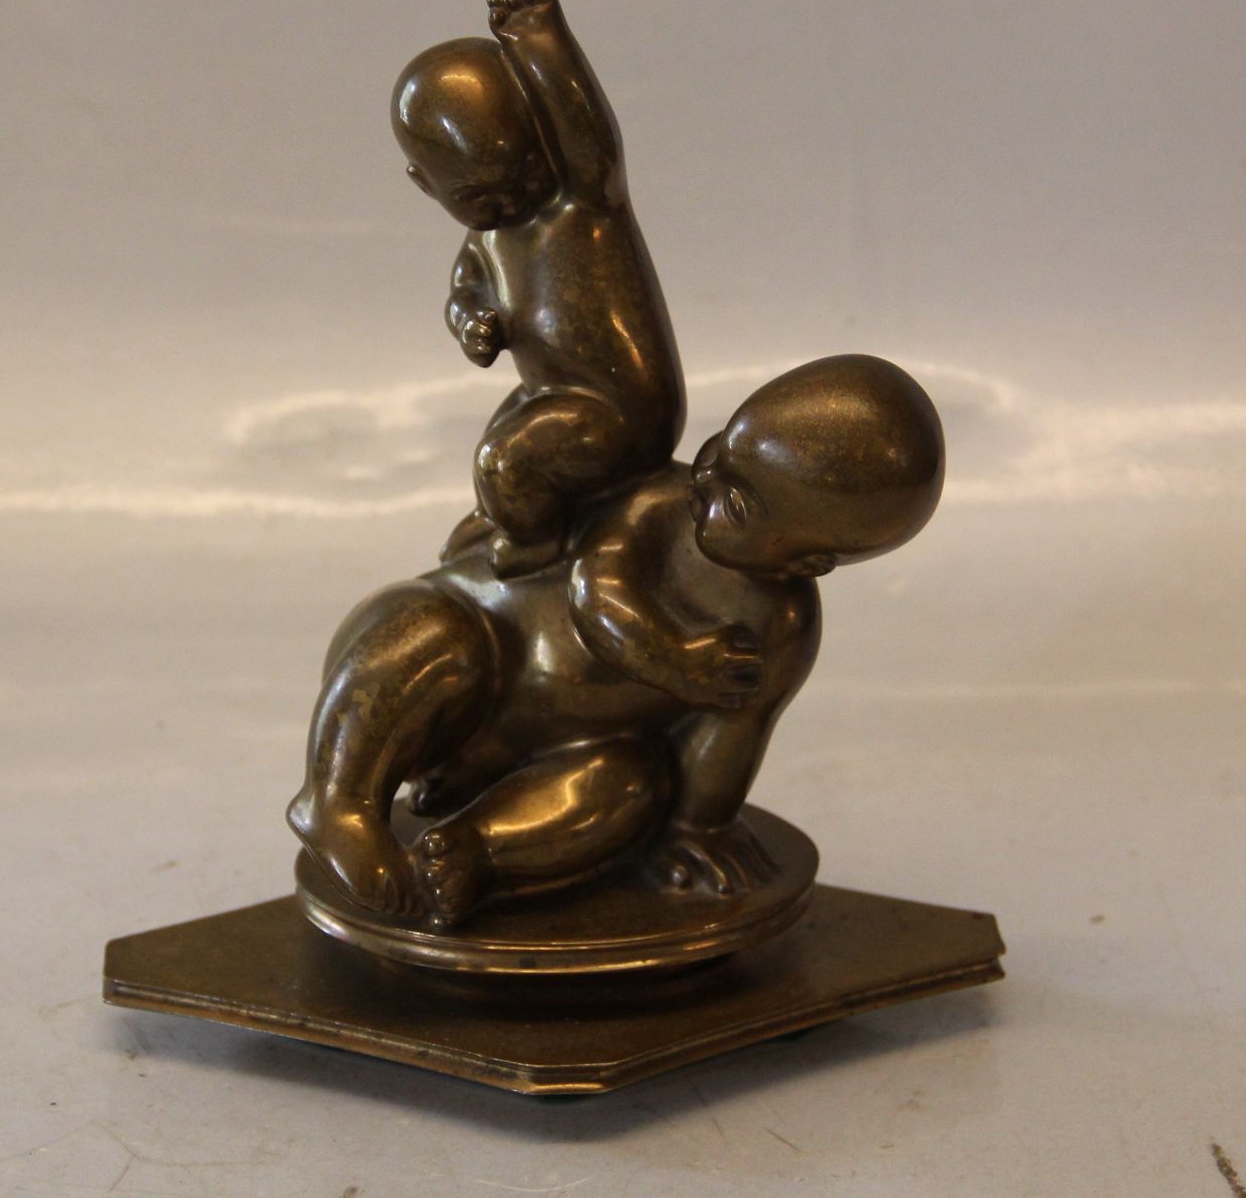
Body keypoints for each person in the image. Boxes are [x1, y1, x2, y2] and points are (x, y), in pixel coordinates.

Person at [288, 355, 944, 928]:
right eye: (717, 449)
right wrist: (677, 660)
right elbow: (595, 593)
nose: (705, 481)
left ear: (807, 561)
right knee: (427, 634)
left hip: (563, 746)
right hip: (480, 650)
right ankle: (339, 798)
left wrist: (698, 825)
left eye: (738, 503)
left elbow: (734, 732)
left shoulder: (782, 632)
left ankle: (474, 850)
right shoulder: (659, 505)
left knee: (633, 787)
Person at [392, 0, 685, 578]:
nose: (509, 201)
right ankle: (506, 515)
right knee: (496, 448)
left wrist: (540, 39)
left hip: (622, 413)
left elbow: (592, 140)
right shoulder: (486, 245)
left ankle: (535, 547)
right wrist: (472, 324)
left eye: (523, 173)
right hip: (553, 393)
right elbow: (463, 297)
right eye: (477, 197)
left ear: (544, 141)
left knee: (505, 460)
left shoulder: (580, 207)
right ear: (427, 186)